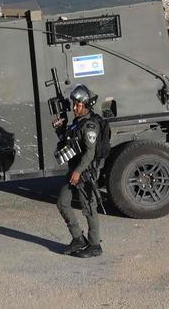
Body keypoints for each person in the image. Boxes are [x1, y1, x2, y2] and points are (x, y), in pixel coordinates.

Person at [52, 84, 104, 258]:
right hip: (74, 171)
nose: (74, 108)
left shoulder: (89, 126)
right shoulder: (76, 123)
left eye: (78, 105)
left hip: (84, 173)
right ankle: (78, 239)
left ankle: (95, 245)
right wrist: (60, 128)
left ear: (86, 105)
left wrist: (78, 171)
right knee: (62, 202)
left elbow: (90, 153)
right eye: (73, 104)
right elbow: (69, 144)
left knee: (89, 208)